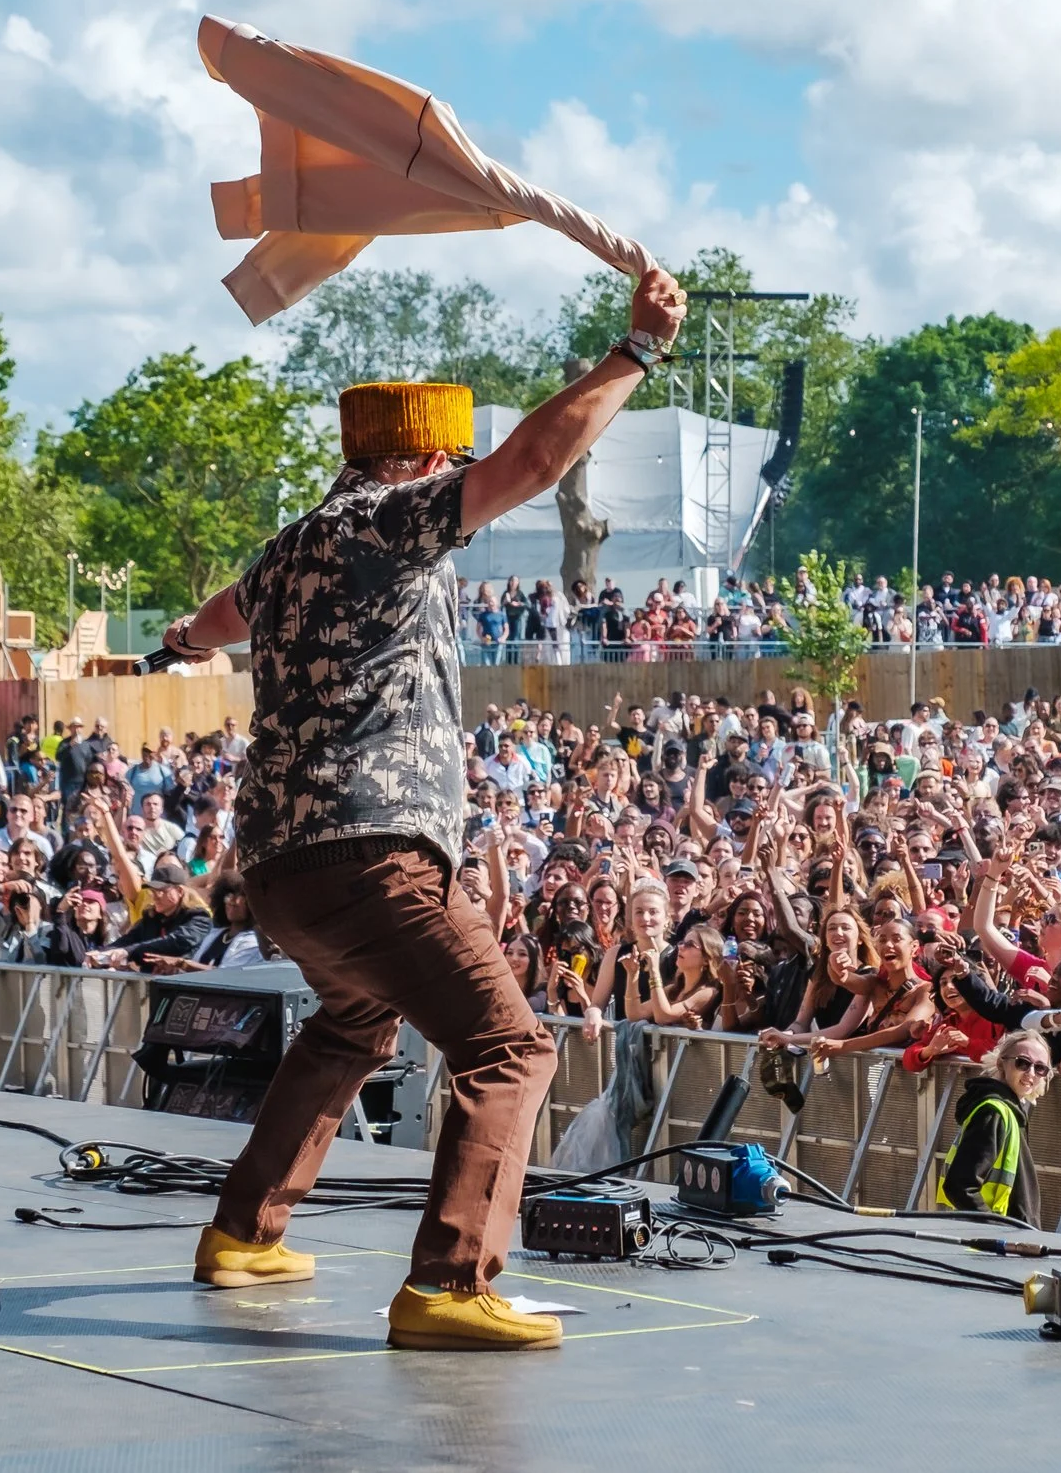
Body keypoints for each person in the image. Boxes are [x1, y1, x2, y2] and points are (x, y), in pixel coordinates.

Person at [156, 265, 686, 1352]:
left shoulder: (291, 545)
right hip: (370, 847)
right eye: (453, 466)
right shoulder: (396, 522)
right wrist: (636, 350)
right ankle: (450, 1281)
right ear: (428, 460)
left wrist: (177, 642)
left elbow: (213, 617)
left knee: (354, 1017)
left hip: (280, 863)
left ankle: (246, 1231)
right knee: (508, 1046)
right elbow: (535, 460)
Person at [937, 1028, 1052, 1221]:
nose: (1031, 1073)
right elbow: (959, 1185)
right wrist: (994, 1227)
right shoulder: (994, 1112)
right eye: (1022, 1063)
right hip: (994, 1243)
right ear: (1001, 1063)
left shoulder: (1009, 1111)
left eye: (1040, 1068)